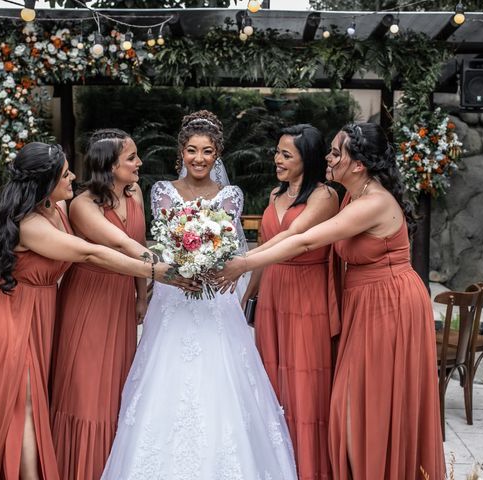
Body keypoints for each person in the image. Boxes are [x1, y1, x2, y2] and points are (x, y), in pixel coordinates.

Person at [217, 123, 445, 480]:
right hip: (364, 301)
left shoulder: (373, 202)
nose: (328, 157)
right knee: (354, 404)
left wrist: (243, 263)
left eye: (337, 152)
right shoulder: (354, 195)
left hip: (390, 304)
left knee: (362, 404)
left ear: (357, 165)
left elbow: (306, 241)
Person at [0, 142, 191, 480]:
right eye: (65, 173)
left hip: (37, 310)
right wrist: (160, 274)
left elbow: (118, 242)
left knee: (35, 396)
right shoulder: (29, 223)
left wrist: (158, 263)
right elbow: (89, 254)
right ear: (45, 182)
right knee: (22, 402)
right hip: (8, 312)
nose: (73, 176)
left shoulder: (55, 207)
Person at [100, 111, 298, 479]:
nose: (199, 158)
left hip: (214, 297)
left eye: (207, 151)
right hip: (172, 295)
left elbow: (233, 247)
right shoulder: (161, 191)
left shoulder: (230, 195)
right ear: (181, 152)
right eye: (192, 150)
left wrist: (209, 262)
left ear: (218, 153)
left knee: (222, 379)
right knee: (164, 376)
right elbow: (158, 245)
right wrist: (167, 277)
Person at [51, 129, 151, 480]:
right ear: (109, 165)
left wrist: (141, 295)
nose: (139, 163)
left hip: (122, 299)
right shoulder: (81, 204)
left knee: (115, 389)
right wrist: (166, 266)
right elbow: (123, 244)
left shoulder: (135, 193)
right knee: (87, 390)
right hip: (88, 300)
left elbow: (137, 239)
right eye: (131, 158)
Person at [240, 124, 339, 479]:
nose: (277, 160)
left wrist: (240, 262)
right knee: (272, 379)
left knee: (305, 384)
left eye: (286, 154)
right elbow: (265, 252)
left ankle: (310, 468)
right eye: (277, 152)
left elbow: (294, 236)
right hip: (274, 293)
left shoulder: (325, 196)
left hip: (307, 293)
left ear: (307, 159)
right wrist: (248, 296)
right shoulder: (273, 195)